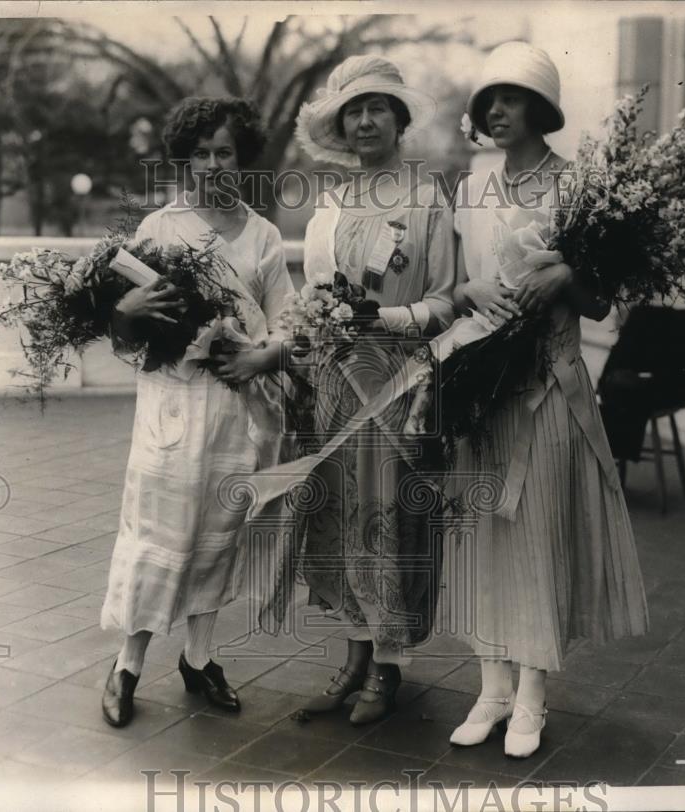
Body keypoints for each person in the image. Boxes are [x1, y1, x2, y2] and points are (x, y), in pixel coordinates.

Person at [446, 42, 648, 757]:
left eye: (509, 97)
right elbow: (452, 289)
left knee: (539, 535)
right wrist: (469, 292)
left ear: (540, 107)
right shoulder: (470, 189)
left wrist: (565, 273)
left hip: (550, 390)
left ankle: (531, 695)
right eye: (486, 101)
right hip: (482, 389)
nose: (494, 111)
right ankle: (490, 687)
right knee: (481, 538)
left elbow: (600, 305)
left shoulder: (578, 188)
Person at [99, 96, 295, 727]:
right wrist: (123, 316)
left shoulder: (263, 234)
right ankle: (127, 664)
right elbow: (128, 332)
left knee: (217, 535)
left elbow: (287, 319)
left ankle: (201, 657)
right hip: (172, 405)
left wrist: (264, 358)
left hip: (235, 409)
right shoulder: (159, 228)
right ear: (182, 160)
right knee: (156, 534)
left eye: (225, 152)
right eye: (200, 153)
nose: (212, 164)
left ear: (243, 158)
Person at [293, 54, 455, 725]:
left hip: (395, 378)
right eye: (353, 110)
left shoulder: (426, 199)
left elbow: (445, 303)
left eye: (377, 108)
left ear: (398, 119)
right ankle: (354, 658)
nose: (365, 120)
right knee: (338, 519)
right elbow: (312, 296)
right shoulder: (330, 206)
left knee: (387, 522)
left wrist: (382, 318)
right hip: (335, 380)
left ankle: (389, 669)